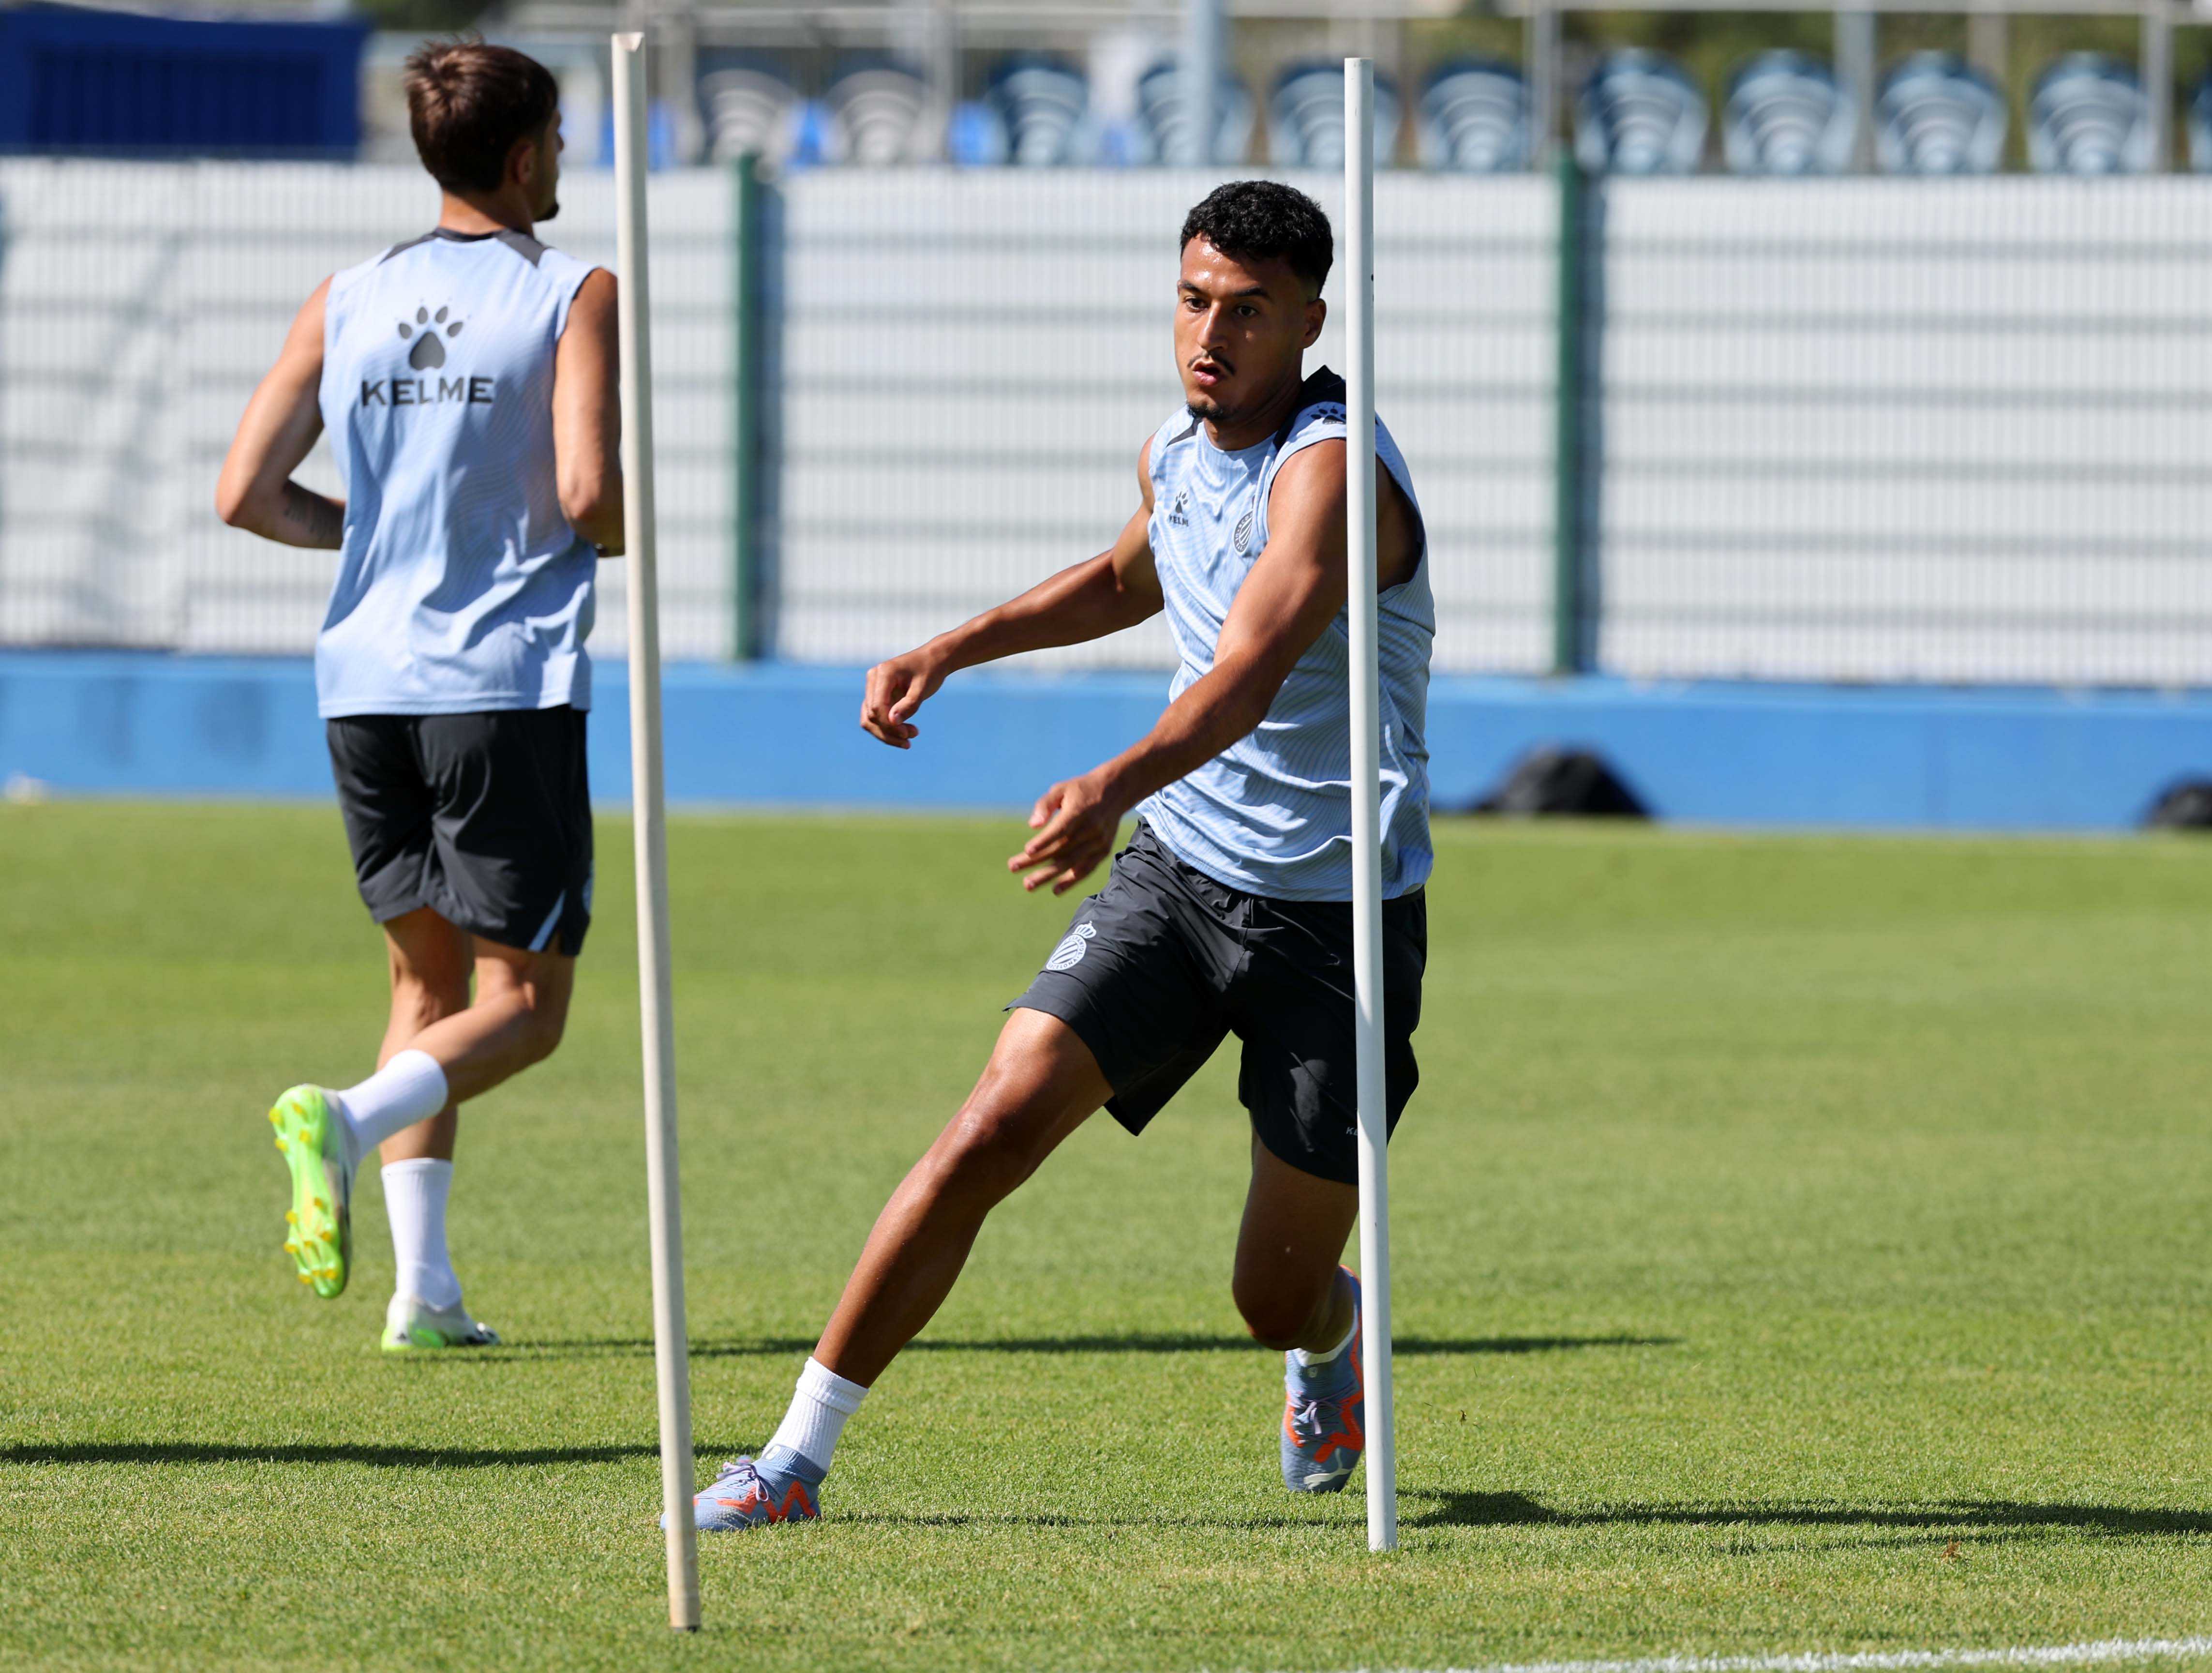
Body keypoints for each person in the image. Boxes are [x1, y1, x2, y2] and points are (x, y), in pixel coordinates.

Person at [683, 179, 1432, 1530]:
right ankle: (790, 1463)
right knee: (990, 1124)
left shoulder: (1328, 472)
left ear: (1311, 323)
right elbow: (1125, 579)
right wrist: (950, 646)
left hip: (1337, 918)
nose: (1212, 335)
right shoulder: (1175, 453)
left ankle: (1332, 1338)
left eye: (1249, 312)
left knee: (1270, 1294)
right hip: (1179, 876)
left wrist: (1108, 782)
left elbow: (1250, 668)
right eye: (1194, 301)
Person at [214, 39, 620, 1351]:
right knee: (526, 1010)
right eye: (558, 137)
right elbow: (588, 496)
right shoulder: (571, 290)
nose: (564, 158)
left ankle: (424, 1292)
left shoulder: (345, 297)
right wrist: (622, 532)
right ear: (525, 153)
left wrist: (381, 538)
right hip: (499, 682)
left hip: (363, 683)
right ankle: (342, 1117)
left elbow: (244, 494)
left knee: (422, 988)